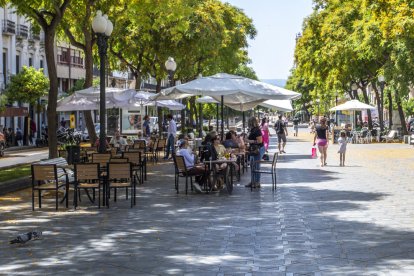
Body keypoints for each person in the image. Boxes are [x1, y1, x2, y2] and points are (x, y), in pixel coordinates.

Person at [245, 117, 265, 188]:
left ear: (251, 122)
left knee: (256, 166)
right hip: (253, 150)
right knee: (252, 165)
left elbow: (260, 141)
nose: (248, 123)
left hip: (258, 149)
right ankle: (253, 181)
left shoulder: (257, 130)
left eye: (249, 122)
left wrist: (249, 141)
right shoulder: (252, 129)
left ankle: (257, 182)